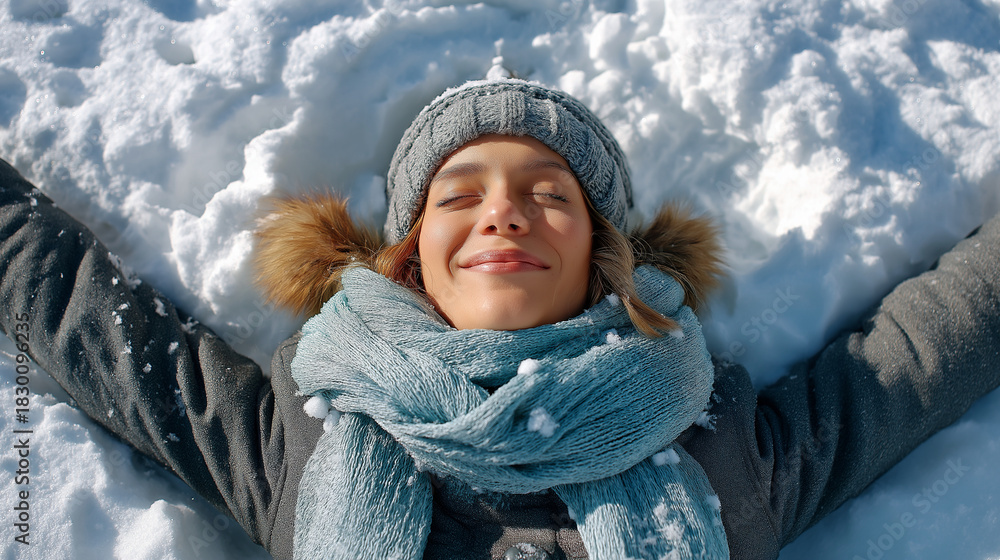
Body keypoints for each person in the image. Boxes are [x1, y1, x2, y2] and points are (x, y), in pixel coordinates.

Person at [1, 76, 998, 560]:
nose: (504, 210)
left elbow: (926, 347)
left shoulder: (717, 443)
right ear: (406, 257)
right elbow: (81, 315)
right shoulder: (307, 433)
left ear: (604, 257)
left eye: (550, 193)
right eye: (457, 193)